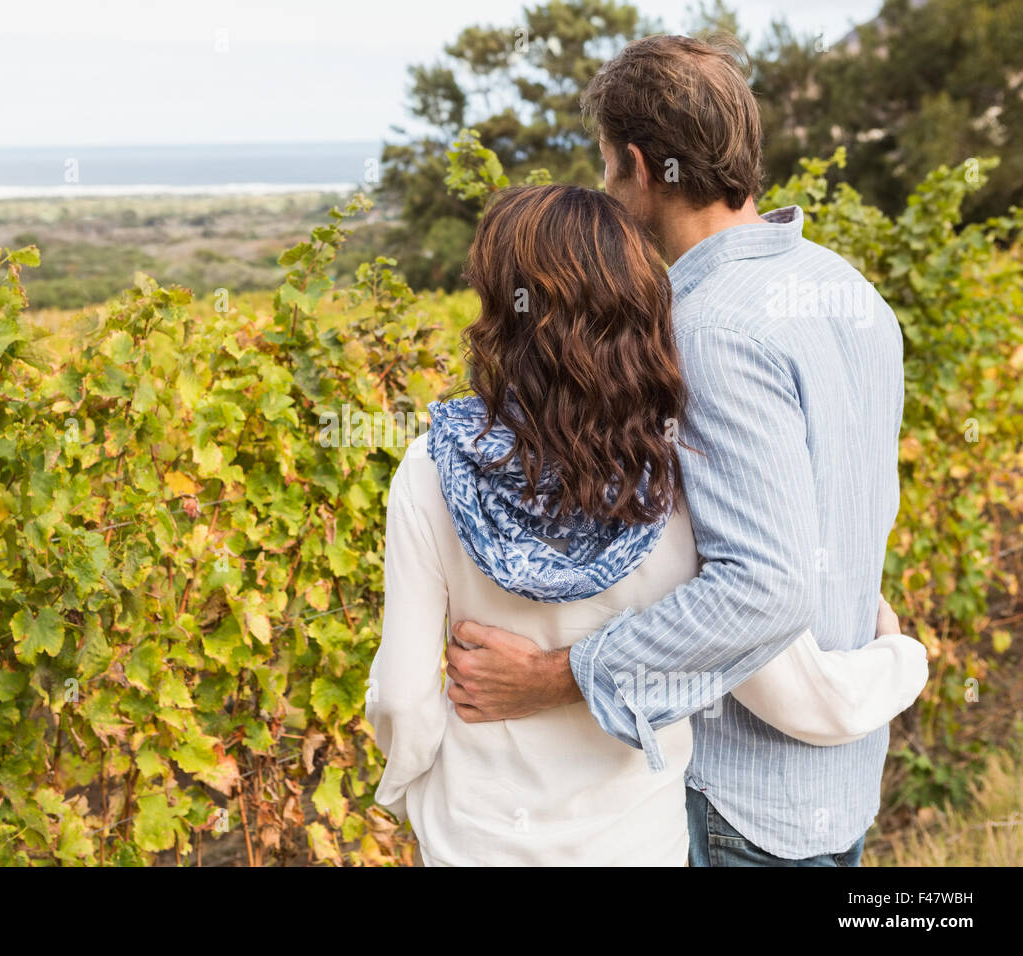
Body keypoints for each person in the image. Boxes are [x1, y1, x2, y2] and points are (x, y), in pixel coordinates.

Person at [366, 182, 926, 866]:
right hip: (639, 846)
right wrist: (901, 659)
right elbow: (780, 674)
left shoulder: (430, 467)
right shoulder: (674, 473)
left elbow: (401, 698)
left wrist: (413, 797)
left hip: (472, 842)